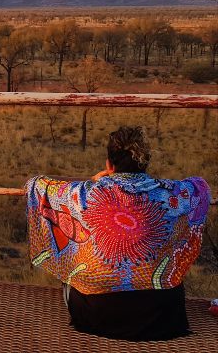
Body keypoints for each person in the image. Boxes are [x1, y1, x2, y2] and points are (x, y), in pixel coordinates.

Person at [26, 126, 211, 341]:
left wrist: (94, 182)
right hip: (163, 316)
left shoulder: (85, 194)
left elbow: (35, 185)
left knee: (71, 272)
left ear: (109, 164)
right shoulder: (172, 193)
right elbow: (201, 186)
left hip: (97, 315)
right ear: (145, 163)